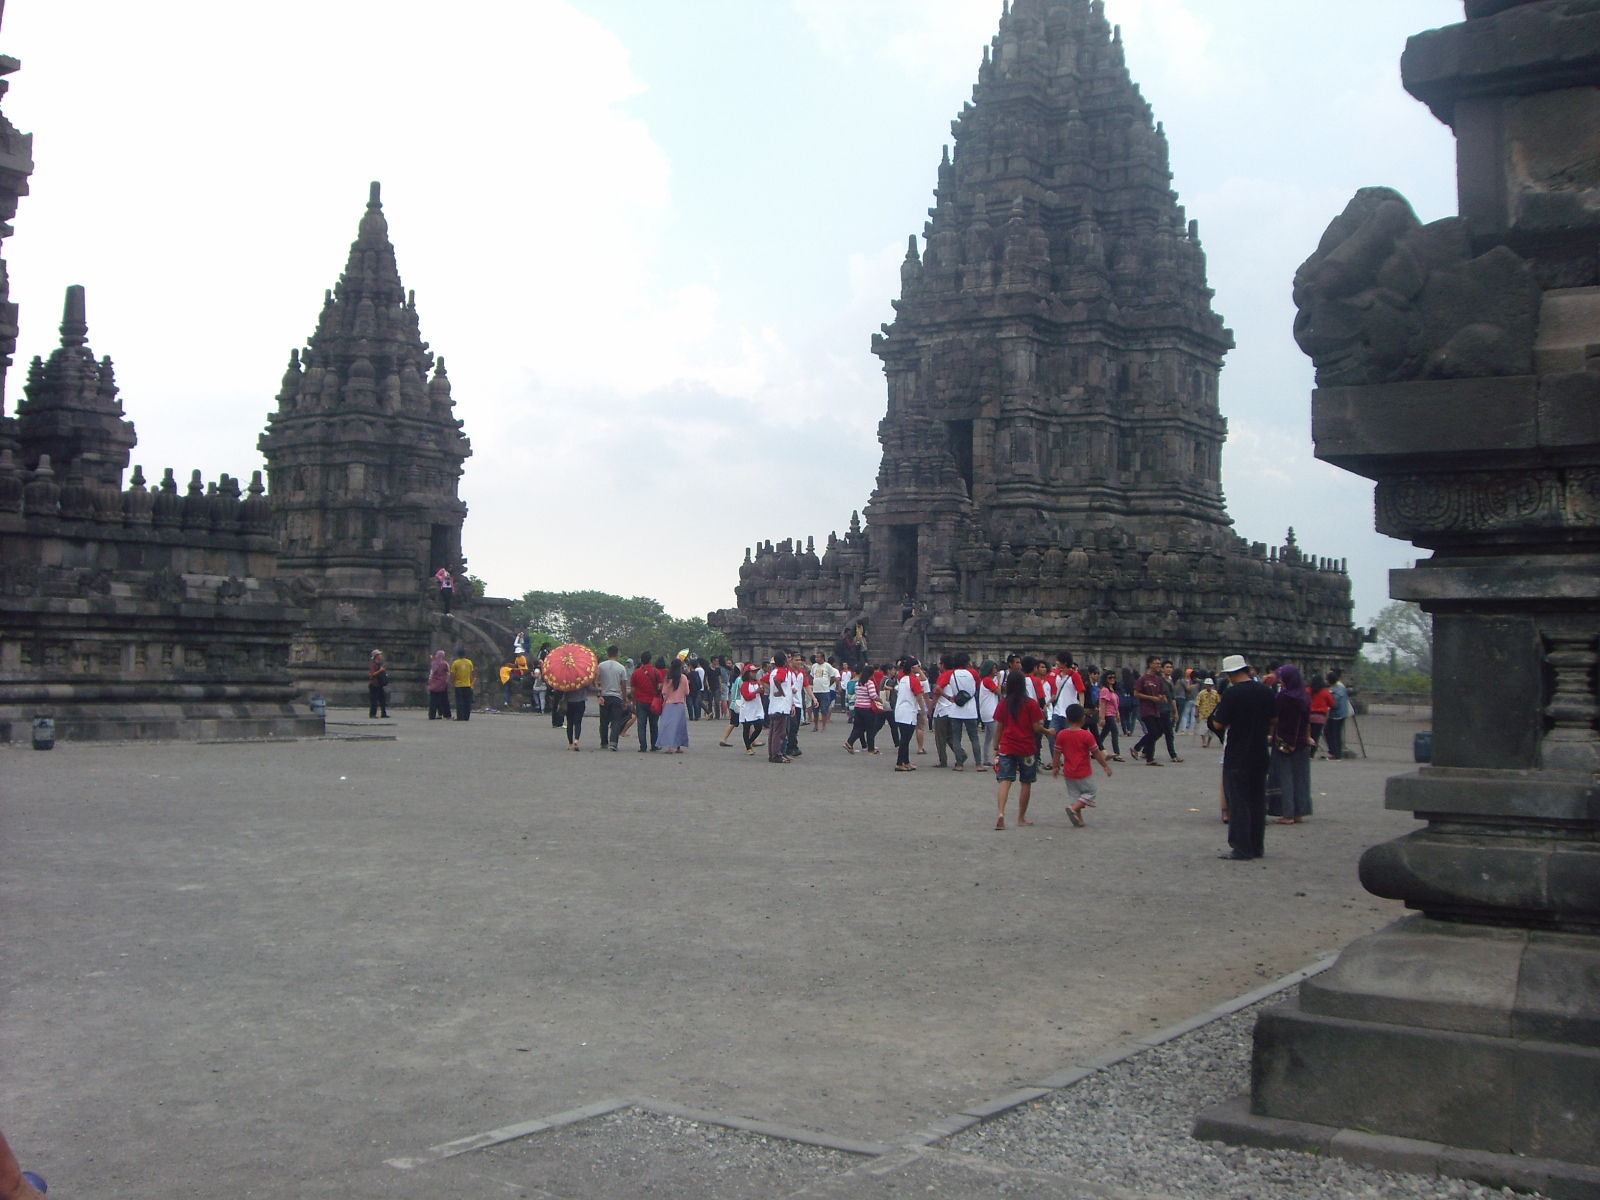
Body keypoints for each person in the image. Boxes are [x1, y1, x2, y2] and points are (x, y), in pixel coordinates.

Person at [1208, 654, 1276, 860]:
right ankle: (1257, 846)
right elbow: (1275, 718)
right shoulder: (1265, 691)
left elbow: (1219, 724)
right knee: (1257, 801)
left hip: (1238, 753)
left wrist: (1211, 720)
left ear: (1230, 674)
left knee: (1238, 803)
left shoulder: (1232, 693)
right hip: (1260, 751)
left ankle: (1241, 847)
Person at [992, 669, 1045, 829]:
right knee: (1026, 782)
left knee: (1005, 781)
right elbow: (1036, 727)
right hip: (1026, 747)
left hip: (1007, 745)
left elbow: (999, 728)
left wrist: (996, 747)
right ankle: (1021, 817)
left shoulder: (1004, 703)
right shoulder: (1031, 703)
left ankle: (1001, 813)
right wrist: (1047, 731)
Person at [1052, 702, 1113, 827]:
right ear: (1083, 718)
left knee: (1075, 795)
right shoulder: (1087, 735)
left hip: (1069, 772)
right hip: (1084, 771)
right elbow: (1096, 752)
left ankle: (1078, 819)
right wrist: (1105, 766)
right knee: (1091, 792)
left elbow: (1057, 752)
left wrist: (1055, 766)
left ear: (1067, 719)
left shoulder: (1062, 734)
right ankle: (1073, 809)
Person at [1271, 663, 1315, 824]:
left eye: (1282, 679)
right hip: (1302, 741)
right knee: (1301, 777)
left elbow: (1275, 717)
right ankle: (1299, 812)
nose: (1280, 682)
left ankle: (1287, 813)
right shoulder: (1305, 696)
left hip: (1284, 741)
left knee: (1285, 777)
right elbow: (1307, 720)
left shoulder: (1284, 697)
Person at [939, 652, 982, 771]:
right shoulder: (973, 673)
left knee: (957, 737)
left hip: (956, 708)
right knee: (974, 737)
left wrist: (949, 698)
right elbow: (978, 685)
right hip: (970, 708)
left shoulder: (951, 674)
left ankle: (959, 764)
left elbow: (938, 687)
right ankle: (979, 764)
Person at [1131, 656, 1170, 765]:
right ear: (1150, 665)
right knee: (1153, 732)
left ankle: (1149, 756)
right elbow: (1136, 693)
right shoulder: (1143, 679)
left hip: (1156, 709)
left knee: (1158, 732)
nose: (1158, 665)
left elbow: (1161, 693)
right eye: (1156, 663)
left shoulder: (1158, 679)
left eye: (1159, 663)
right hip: (1146, 709)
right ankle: (1138, 748)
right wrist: (1150, 698)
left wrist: (1162, 697)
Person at [892, 655, 923, 772]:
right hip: (909, 711)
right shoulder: (914, 680)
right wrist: (924, 713)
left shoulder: (903, 678)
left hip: (900, 710)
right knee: (905, 739)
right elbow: (919, 698)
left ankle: (906, 761)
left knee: (905, 738)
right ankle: (899, 762)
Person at [766, 650, 798, 764]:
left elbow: (764, 680)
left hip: (774, 705)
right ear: (784, 662)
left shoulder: (774, 671)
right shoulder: (782, 672)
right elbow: (777, 680)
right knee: (780, 733)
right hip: (782, 706)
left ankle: (772, 754)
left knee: (773, 732)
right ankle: (777, 755)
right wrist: (781, 691)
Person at [596, 646, 630, 751]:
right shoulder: (621, 668)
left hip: (604, 696)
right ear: (617, 654)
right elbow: (623, 685)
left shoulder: (601, 666)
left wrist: (599, 691)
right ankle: (613, 742)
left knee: (604, 721)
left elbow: (596, 681)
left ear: (607, 653)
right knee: (616, 721)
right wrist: (624, 699)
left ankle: (603, 742)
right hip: (616, 696)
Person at [630, 650, 663, 752]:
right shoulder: (656, 672)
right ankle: (654, 745)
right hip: (653, 702)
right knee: (654, 725)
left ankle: (643, 746)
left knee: (641, 725)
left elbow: (633, 689)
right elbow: (660, 686)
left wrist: (633, 701)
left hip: (640, 701)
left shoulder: (636, 673)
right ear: (650, 660)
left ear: (641, 660)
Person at [844, 667, 881, 754]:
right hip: (867, 708)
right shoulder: (869, 683)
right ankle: (871, 749)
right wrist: (880, 699)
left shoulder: (858, 683)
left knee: (858, 727)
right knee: (870, 729)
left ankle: (849, 742)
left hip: (858, 707)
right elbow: (872, 695)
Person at [658, 657, 691, 753]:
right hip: (680, 704)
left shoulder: (668, 678)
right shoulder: (684, 678)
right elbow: (687, 692)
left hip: (669, 704)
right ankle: (678, 747)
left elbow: (664, 692)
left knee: (669, 726)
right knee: (680, 726)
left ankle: (670, 747)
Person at [737, 664, 766, 753]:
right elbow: (746, 697)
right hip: (747, 708)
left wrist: (761, 691)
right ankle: (748, 747)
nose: (754, 674)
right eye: (752, 672)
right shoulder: (745, 684)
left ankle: (749, 742)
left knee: (759, 726)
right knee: (746, 728)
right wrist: (756, 692)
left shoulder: (757, 683)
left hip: (757, 708)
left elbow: (761, 695)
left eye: (755, 672)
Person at [1096, 669, 1124, 761]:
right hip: (1107, 714)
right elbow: (1103, 704)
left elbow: (1116, 703)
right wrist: (1102, 718)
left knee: (1103, 734)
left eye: (1114, 677)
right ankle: (1117, 753)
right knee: (1115, 732)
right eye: (1110, 678)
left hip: (1112, 713)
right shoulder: (1105, 690)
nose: (1112, 679)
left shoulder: (1113, 690)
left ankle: (1095, 750)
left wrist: (1118, 714)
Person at [564, 676, 598, 750]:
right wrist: (599, 689)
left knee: (569, 723)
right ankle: (576, 740)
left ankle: (570, 743)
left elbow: (563, 689)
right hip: (580, 701)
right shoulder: (584, 678)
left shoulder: (567, 678)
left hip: (570, 702)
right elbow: (590, 689)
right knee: (578, 722)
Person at [977, 660, 1000, 766]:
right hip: (991, 712)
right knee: (996, 737)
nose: (996, 670)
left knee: (988, 737)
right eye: (994, 668)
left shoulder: (984, 680)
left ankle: (986, 758)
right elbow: (998, 692)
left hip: (986, 711)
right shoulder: (988, 680)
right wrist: (999, 680)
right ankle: (998, 758)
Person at [1326, 668, 1351, 761]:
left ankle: (1335, 753)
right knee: (1337, 734)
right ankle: (1337, 753)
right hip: (1343, 713)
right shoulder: (1341, 687)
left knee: (1331, 734)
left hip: (1336, 715)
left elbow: (1335, 704)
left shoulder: (1335, 691)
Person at [810, 653, 839, 732]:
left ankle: (824, 726)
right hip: (815, 690)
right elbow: (811, 676)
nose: (816, 659)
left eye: (818, 657)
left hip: (824, 691)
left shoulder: (827, 666)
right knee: (815, 710)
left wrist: (828, 685)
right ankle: (816, 726)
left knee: (824, 709)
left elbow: (833, 677)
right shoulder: (814, 666)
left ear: (822, 657)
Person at [1308, 674, 1334, 758]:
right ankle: (1311, 754)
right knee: (1316, 736)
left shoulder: (1308, 690)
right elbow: (1332, 703)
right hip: (1320, 716)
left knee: (1308, 734)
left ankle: (1305, 752)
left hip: (1309, 715)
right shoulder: (1325, 692)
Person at [449, 649, 475, 721]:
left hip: (458, 685)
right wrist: (471, 682)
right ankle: (466, 717)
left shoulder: (455, 663)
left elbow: (453, 675)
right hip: (467, 684)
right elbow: (471, 674)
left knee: (459, 701)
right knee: (467, 701)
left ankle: (460, 717)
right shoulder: (469, 662)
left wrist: (452, 683)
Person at [1195, 678, 1221, 749]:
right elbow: (1197, 703)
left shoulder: (1215, 693)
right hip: (1203, 714)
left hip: (1212, 714)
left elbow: (1218, 702)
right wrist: (1196, 711)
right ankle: (1204, 742)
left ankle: (1208, 742)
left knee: (1211, 731)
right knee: (1203, 729)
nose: (1208, 687)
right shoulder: (1201, 693)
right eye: (1207, 685)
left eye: (1210, 685)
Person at [427, 649, 453, 720]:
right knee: (444, 700)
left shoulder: (433, 663)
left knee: (433, 701)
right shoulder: (444, 664)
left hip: (433, 684)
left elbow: (431, 673)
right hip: (442, 684)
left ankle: (432, 715)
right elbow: (448, 673)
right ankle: (446, 715)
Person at [368, 650, 389, 719]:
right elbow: (372, 674)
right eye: (379, 654)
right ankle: (372, 714)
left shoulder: (380, 664)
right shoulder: (373, 664)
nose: (381, 655)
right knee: (374, 700)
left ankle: (383, 713)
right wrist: (380, 671)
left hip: (379, 684)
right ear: (376, 656)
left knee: (382, 699)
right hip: (373, 684)